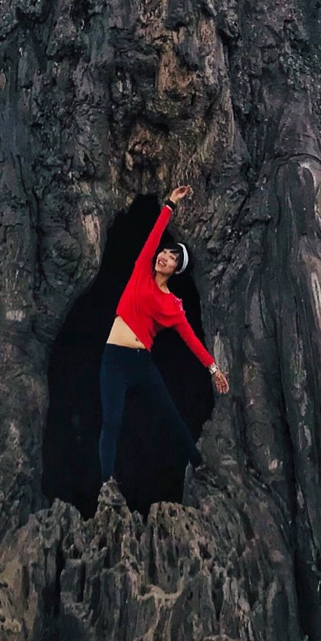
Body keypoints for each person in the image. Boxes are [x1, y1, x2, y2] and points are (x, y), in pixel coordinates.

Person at [98, 183, 229, 486]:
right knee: (111, 421)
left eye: (171, 258)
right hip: (114, 359)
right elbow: (155, 235)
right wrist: (169, 203)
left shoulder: (171, 304)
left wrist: (213, 368)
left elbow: (191, 339)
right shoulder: (142, 269)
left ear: (175, 270)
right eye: (165, 253)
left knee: (169, 414)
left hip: (142, 362)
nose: (164, 257)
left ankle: (198, 465)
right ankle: (106, 485)